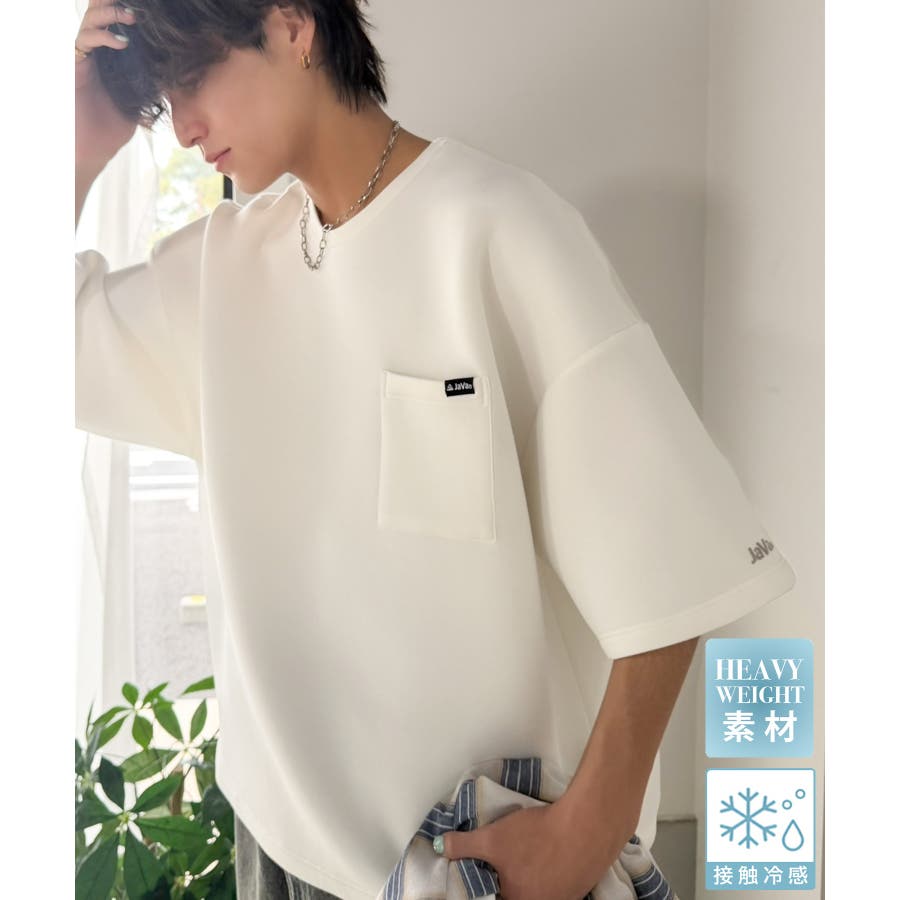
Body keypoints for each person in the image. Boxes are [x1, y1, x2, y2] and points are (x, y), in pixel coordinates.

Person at [74, 2, 798, 899]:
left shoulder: (498, 230)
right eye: (164, 98)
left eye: (192, 80)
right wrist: (79, 140)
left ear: (293, 27)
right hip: (283, 851)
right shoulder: (218, 272)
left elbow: (677, 561)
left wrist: (588, 832)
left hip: (480, 862)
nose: (183, 128)